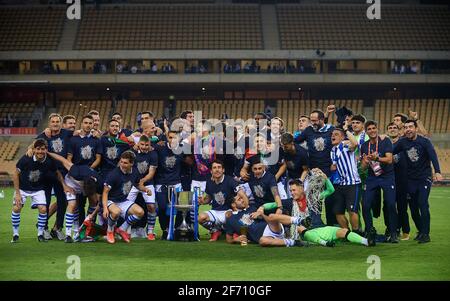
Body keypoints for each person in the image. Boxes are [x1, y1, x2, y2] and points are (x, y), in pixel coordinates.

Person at [393, 120, 442, 244]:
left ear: (415, 128)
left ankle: (426, 234)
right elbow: (391, 151)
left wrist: (437, 171)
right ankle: (421, 231)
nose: (408, 129)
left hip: (424, 178)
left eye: (410, 127)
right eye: (405, 127)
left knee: (422, 203)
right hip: (409, 180)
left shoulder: (425, 142)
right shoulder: (402, 142)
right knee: (413, 208)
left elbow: (433, 156)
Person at [10, 139, 58, 243]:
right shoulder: (26, 158)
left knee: (43, 209)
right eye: (38, 149)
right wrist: (17, 193)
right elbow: (15, 174)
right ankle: (15, 234)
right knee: (16, 208)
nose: (40, 151)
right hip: (23, 188)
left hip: (38, 189)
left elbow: (57, 172)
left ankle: (40, 234)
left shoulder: (49, 161)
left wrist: (64, 185)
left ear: (46, 150)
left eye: (43, 149)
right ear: (34, 149)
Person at [46, 151, 101, 243]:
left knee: (94, 202)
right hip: (71, 184)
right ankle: (68, 235)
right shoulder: (77, 171)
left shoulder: (99, 182)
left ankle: (82, 232)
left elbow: (100, 201)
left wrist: (92, 214)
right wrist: (47, 152)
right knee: (72, 204)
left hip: (87, 186)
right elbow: (62, 159)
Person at [294, 109, 336, 226]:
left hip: (329, 169)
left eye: (315, 121)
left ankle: (332, 223)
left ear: (322, 120)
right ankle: (317, 222)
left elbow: (340, 141)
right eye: (311, 121)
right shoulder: (308, 130)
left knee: (329, 198)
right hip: (313, 170)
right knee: (314, 197)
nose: (313, 123)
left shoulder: (331, 130)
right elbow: (296, 142)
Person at [360, 121, 399, 243]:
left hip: (387, 176)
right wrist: (366, 161)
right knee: (366, 205)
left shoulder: (385, 141)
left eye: (374, 128)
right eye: (369, 129)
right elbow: (363, 168)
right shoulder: (364, 146)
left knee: (391, 204)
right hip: (372, 177)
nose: (372, 130)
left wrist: (377, 158)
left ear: (377, 129)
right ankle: (370, 231)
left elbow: (389, 160)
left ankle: (393, 233)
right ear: (366, 132)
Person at [37, 113, 72, 240]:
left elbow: (80, 132)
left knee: (62, 201)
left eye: (57, 121)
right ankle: (44, 228)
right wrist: (30, 149)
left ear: (61, 123)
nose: (55, 123)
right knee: (45, 201)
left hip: (62, 173)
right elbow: (34, 144)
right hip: (46, 173)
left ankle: (58, 228)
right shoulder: (43, 135)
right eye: (53, 121)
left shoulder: (66, 133)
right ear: (49, 124)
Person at [225, 194, 307, 247]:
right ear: (233, 204)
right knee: (262, 241)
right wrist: (236, 240)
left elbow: (270, 214)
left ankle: (300, 220)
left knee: (271, 216)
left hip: (271, 227)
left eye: (241, 198)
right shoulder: (230, 220)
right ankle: (293, 242)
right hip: (265, 237)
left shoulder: (252, 207)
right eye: (239, 199)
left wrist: (261, 214)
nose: (242, 200)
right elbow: (229, 239)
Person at [102, 151, 148, 244]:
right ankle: (110, 231)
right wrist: (105, 209)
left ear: (131, 163)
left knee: (140, 212)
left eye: (125, 163)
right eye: (121, 162)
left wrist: (145, 189)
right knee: (116, 212)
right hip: (111, 200)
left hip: (123, 200)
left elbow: (137, 185)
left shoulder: (134, 171)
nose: (122, 164)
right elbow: (105, 192)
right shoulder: (113, 174)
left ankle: (121, 229)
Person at [198, 160, 248, 241]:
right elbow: (208, 198)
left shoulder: (230, 180)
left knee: (229, 215)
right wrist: (202, 201)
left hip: (228, 211)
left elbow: (242, 194)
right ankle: (215, 231)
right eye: (214, 168)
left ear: (223, 170)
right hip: (215, 211)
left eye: (219, 167)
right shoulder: (209, 182)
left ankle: (234, 232)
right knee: (200, 217)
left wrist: (247, 209)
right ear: (211, 171)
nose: (217, 170)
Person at [330, 127, 362, 233]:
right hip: (339, 184)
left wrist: (346, 130)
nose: (333, 136)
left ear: (343, 137)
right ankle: (346, 233)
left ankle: (356, 232)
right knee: (337, 212)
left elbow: (355, 143)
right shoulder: (332, 151)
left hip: (352, 183)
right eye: (332, 134)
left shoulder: (345, 145)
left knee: (352, 210)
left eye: (336, 134)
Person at [127, 135, 159, 240]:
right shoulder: (132, 153)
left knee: (151, 206)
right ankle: (126, 229)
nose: (144, 147)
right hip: (133, 183)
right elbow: (127, 168)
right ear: (138, 144)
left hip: (147, 183)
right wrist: (137, 183)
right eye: (142, 144)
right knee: (126, 207)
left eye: (146, 145)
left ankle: (150, 231)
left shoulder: (153, 154)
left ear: (150, 145)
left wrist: (142, 182)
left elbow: (151, 173)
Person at [298, 224, 375, 247]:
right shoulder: (305, 235)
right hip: (326, 235)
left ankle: (366, 241)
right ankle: (325, 243)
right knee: (307, 234)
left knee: (344, 231)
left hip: (330, 231)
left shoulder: (306, 232)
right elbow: (300, 228)